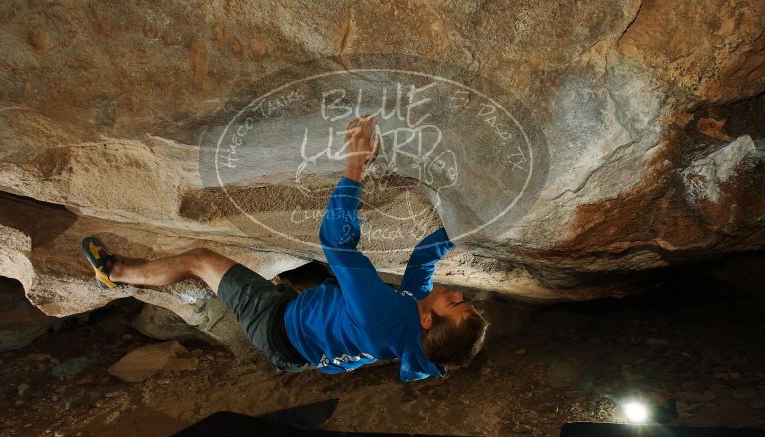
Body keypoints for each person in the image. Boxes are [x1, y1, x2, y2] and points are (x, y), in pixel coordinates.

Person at [82, 115, 488, 381]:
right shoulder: (414, 333)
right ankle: (279, 292)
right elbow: (421, 264)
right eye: (464, 301)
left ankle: (113, 274)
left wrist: (354, 166)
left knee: (200, 259)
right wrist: (470, 226)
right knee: (298, 280)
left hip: (274, 324)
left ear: (428, 323)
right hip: (304, 339)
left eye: (455, 304)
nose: (457, 294)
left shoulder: (382, 315)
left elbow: (336, 242)